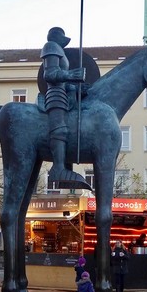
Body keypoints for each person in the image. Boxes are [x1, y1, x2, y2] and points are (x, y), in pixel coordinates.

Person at [41, 27, 90, 190]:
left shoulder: (58, 50)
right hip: (55, 95)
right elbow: (49, 74)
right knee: (59, 129)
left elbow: (61, 79)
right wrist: (71, 75)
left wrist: (76, 87)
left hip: (63, 92)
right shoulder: (51, 47)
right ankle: (58, 168)